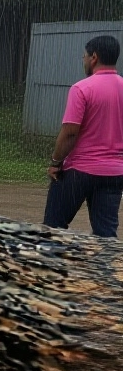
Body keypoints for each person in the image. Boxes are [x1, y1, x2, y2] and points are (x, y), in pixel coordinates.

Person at [43, 35, 123, 238]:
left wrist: (55, 162)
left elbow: (70, 132)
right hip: (114, 174)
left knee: (53, 228)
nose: (84, 60)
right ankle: (106, 269)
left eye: (84, 56)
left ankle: (53, 267)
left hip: (79, 172)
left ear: (93, 57)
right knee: (106, 235)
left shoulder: (82, 88)